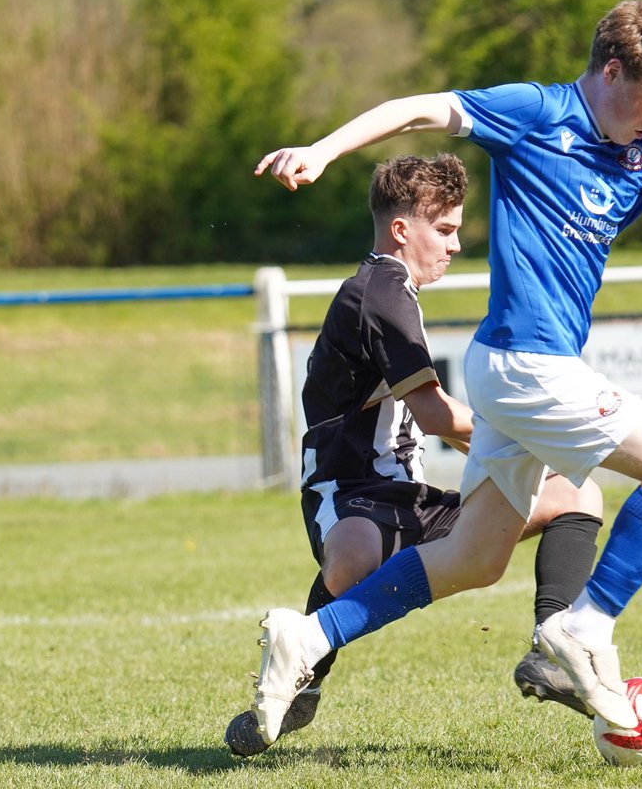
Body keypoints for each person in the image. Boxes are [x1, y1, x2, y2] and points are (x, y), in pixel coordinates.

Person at [249, 0, 642, 742]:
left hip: (523, 374)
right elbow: (417, 109)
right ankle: (583, 628)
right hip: (526, 364)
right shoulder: (536, 113)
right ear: (610, 72)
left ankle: (310, 638)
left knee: (474, 559)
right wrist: (322, 150)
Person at [229, 153, 603, 755]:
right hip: (348, 492)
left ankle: (554, 644)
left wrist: (532, 457)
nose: (455, 245)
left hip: (412, 497)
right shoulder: (378, 295)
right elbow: (436, 416)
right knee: (352, 555)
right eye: (445, 230)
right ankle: (299, 682)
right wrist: (532, 445)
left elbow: (441, 420)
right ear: (402, 230)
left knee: (576, 495)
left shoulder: (393, 290)